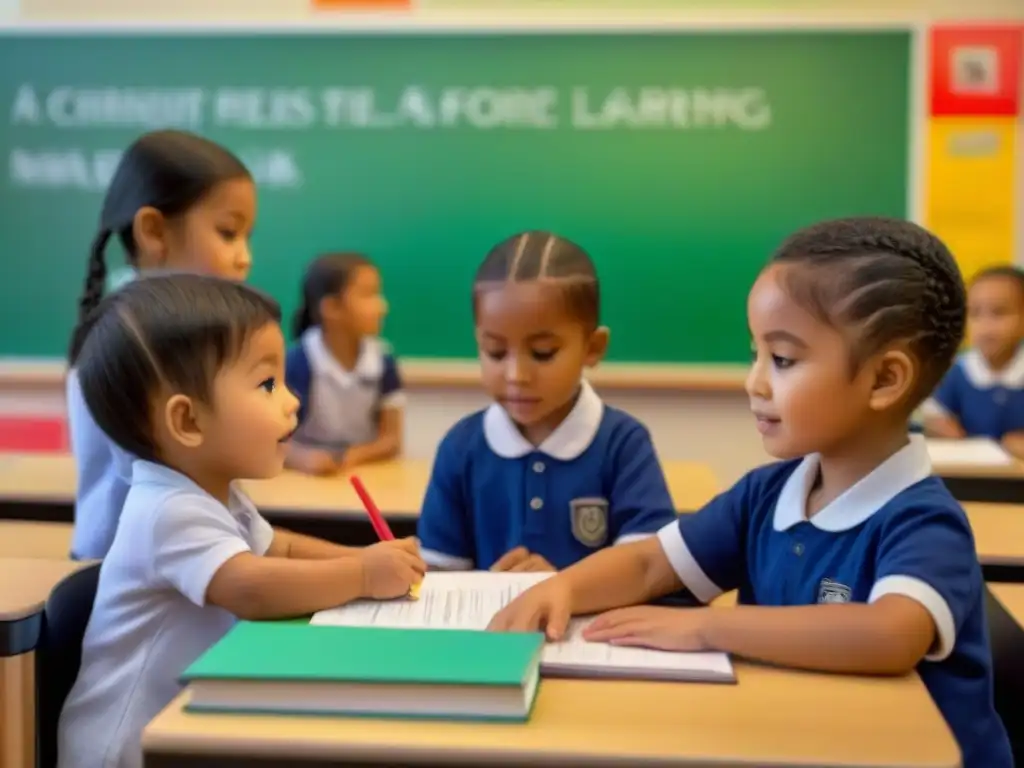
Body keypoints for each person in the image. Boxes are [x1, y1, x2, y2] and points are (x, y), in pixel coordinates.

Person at [488, 217, 1012, 768]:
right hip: (795, 744)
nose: (754, 382)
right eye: (754, 355)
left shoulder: (922, 519)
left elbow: (889, 634)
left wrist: (707, 627)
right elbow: (650, 565)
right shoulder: (767, 494)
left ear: (884, 380)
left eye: (782, 360)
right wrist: (564, 588)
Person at [57, 273, 425, 768]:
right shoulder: (165, 511)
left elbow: (280, 550)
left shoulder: (210, 493)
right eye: (267, 383)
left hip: (185, 728)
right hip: (127, 750)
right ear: (188, 422)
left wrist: (368, 557)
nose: (292, 400)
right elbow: (249, 586)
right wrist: (361, 575)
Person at [417, 230, 677, 572]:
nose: (516, 375)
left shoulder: (623, 444)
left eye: (542, 353)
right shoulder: (460, 448)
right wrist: (480, 590)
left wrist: (564, 589)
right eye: (495, 352)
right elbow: (438, 575)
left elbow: (650, 569)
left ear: (593, 348)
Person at [67, 129, 257, 560]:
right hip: (127, 565)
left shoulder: (167, 327)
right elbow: (187, 462)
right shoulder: (130, 335)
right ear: (154, 231)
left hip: (179, 555)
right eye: (228, 234)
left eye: (247, 238)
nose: (245, 256)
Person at [285, 253, 403, 475]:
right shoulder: (296, 362)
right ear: (332, 308)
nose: (382, 307)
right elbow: (273, 440)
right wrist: (303, 459)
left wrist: (349, 457)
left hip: (361, 471)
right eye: (369, 295)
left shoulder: (384, 360)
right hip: (306, 477)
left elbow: (392, 440)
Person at [923, 265, 1024, 457]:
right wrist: (939, 425)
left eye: (999, 312)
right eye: (975, 313)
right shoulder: (956, 369)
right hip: (971, 475)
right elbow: (933, 413)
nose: (985, 325)